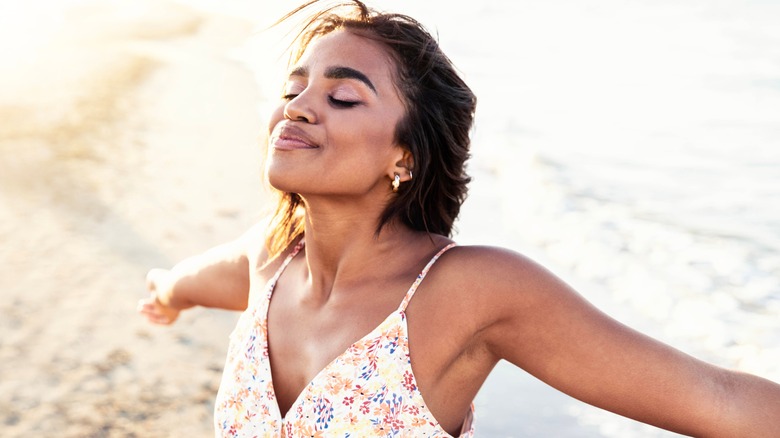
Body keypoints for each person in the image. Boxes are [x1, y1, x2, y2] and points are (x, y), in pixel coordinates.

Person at [137, 1, 780, 436]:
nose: (299, 107)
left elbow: (716, 400)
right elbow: (196, 279)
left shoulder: (466, 292)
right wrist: (165, 293)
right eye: (293, 89)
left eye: (341, 95)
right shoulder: (271, 260)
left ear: (405, 156)